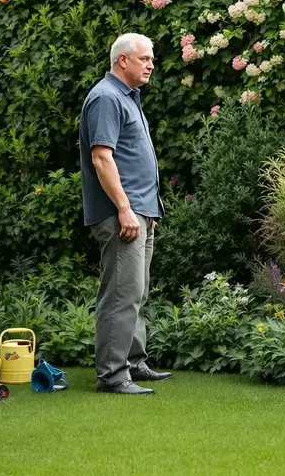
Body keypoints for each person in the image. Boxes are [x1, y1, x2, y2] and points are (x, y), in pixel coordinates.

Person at [79, 33, 173, 395]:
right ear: (123, 60)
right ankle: (113, 376)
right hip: (122, 215)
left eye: (151, 60)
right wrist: (124, 208)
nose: (151, 65)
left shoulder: (128, 98)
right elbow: (102, 158)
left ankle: (133, 363)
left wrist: (148, 209)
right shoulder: (106, 98)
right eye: (144, 59)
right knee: (121, 294)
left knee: (136, 291)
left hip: (139, 212)